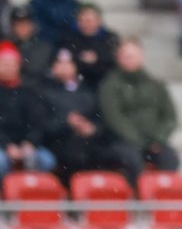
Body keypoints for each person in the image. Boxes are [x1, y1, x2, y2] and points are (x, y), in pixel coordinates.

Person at [36, 48, 135, 184]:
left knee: (116, 154)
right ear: (53, 67)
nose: (65, 68)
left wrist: (92, 128)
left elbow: (100, 118)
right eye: (60, 63)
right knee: (74, 156)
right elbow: (42, 125)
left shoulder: (88, 91)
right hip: (59, 142)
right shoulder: (43, 91)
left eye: (69, 63)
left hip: (90, 141)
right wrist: (66, 123)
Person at [98, 39, 182, 177]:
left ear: (141, 56)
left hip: (154, 141)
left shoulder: (156, 85)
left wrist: (158, 138)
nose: (130, 60)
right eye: (126, 56)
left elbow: (170, 116)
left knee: (170, 159)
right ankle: (137, 195)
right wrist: (138, 141)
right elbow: (113, 117)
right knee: (132, 160)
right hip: (123, 142)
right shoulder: (109, 85)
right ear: (118, 58)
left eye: (133, 55)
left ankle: (162, 194)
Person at [0, 44, 55, 176]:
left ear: (18, 65)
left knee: (46, 160)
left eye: (11, 63)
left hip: (28, 145)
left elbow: (38, 122)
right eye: (3, 63)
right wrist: (7, 145)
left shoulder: (30, 91)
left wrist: (29, 143)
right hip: (3, 146)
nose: (8, 67)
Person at [66, 5, 120, 90]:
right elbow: (65, 56)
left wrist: (97, 58)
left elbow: (114, 59)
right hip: (78, 80)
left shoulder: (110, 37)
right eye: (83, 20)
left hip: (104, 79)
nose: (86, 24)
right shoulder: (70, 37)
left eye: (89, 20)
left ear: (99, 21)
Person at [9, 13, 57, 81]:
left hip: (38, 87)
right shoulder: (7, 47)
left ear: (33, 25)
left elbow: (36, 70)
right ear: (13, 27)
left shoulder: (44, 47)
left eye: (26, 24)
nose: (22, 28)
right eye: (18, 25)